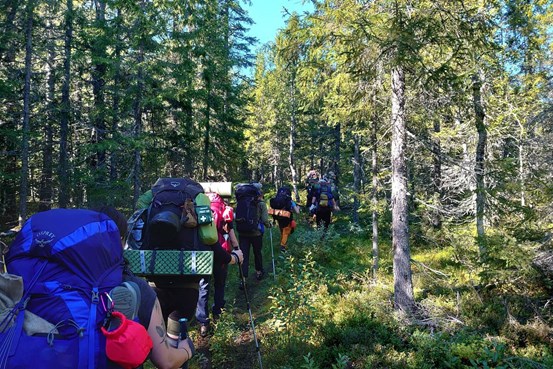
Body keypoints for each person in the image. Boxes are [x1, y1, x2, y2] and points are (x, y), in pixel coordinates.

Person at [95, 206, 195, 369]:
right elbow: (166, 361)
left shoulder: (51, 284)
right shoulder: (136, 288)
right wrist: (186, 349)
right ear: (121, 240)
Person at [195, 194, 243, 337]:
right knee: (220, 284)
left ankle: (203, 322)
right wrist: (237, 249)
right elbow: (231, 232)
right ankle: (218, 315)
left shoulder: (201, 208)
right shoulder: (225, 210)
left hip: (203, 252)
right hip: (221, 251)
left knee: (203, 286)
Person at [237, 184, 271, 286]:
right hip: (256, 233)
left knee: (244, 255)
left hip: (242, 232)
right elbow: (265, 219)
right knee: (257, 253)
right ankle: (259, 272)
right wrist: (269, 225)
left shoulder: (241, 201)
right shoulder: (261, 204)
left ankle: (243, 279)